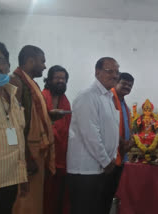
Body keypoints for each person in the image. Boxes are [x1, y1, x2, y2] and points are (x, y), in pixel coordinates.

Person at [66, 57, 120, 214]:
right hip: (85, 170)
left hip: (100, 168)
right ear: (97, 72)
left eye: (117, 72)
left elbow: (109, 130)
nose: (115, 75)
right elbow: (90, 134)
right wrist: (106, 160)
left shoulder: (108, 97)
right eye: (110, 71)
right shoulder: (87, 96)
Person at [10, 45, 55, 214]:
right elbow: (12, 125)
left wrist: (48, 116)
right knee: (24, 203)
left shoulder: (31, 83)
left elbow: (31, 116)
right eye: (42, 61)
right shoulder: (16, 82)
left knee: (34, 202)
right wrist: (25, 157)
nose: (44, 66)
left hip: (36, 153)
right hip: (26, 156)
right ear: (30, 61)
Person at [0, 41, 27, 214]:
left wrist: (21, 174)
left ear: (8, 66)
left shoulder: (13, 94)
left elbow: (18, 134)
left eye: (0, 60)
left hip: (10, 179)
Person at [42, 65, 71, 214]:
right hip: (45, 155)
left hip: (63, 156)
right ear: (49, 79)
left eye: (63, 78)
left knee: (61, 196)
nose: (60, 81)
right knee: (46, 196)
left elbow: (69, 127)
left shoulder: (65, 100)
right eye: (57, 78)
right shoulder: (42, 97)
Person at [109, 72, 134, 206]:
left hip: (122, 153)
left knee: (115, 190)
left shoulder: (125, 105)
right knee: (106, 192)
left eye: (130, 85)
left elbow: (126, 127)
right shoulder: (109, 99)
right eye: (124, 83)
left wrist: (130, 141)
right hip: (110, 156)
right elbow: (108, 125)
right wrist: (121, 142)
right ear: (116, 83)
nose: (127, 87)